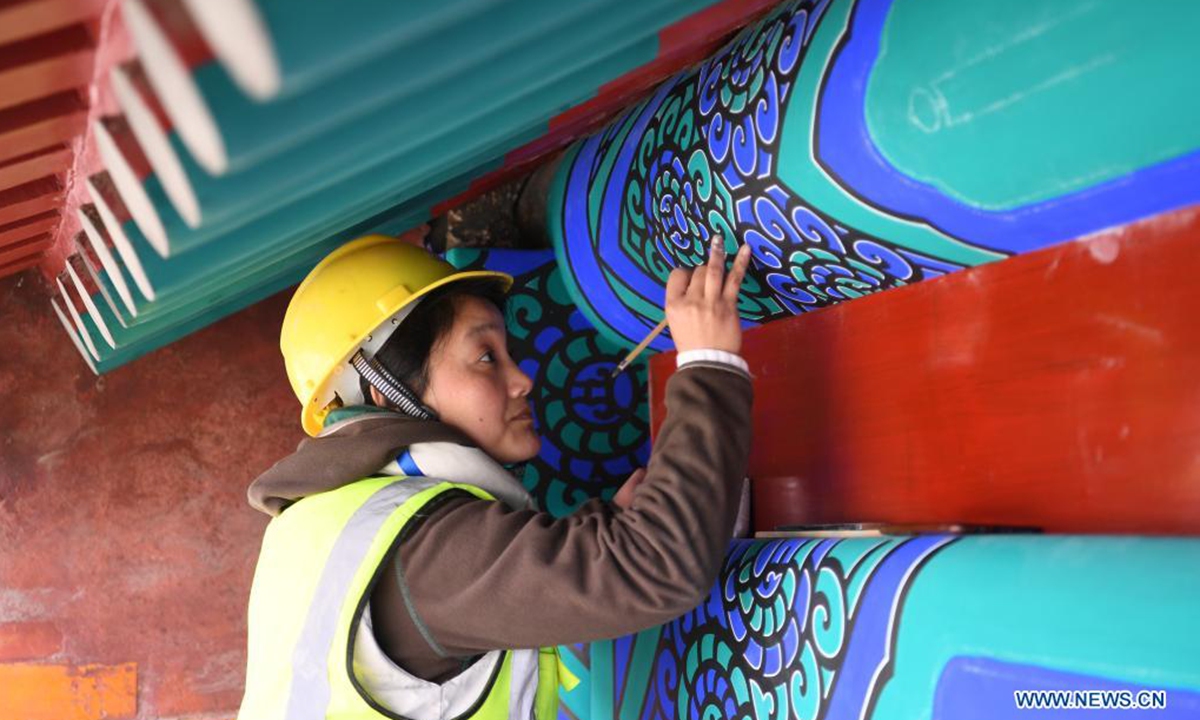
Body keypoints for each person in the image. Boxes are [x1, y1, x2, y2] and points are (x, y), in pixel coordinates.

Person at [237, 231, 754, 720]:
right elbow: (659, 564)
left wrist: (608, 532)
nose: (523, 380)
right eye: (486, 357)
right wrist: (708, 360)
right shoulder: (424, 547)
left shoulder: (314, 529)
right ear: (384, 390)